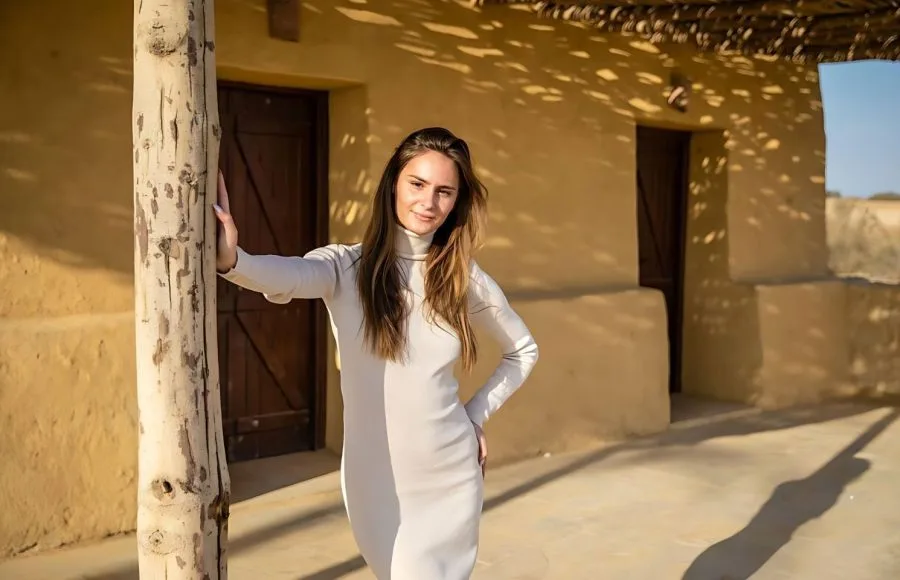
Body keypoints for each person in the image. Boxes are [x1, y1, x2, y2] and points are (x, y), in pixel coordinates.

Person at [214, 126, 539, 579]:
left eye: (445, 191)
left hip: (449, 474)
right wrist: (234, 260)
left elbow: (523, 350)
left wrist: (476, 414)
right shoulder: (345, 266)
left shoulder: (463, 276)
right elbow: (288, 276)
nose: (429, 202)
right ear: (393, 185)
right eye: (418, 184)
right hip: (375, 478)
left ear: (456, 202)